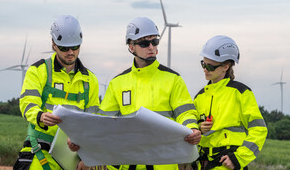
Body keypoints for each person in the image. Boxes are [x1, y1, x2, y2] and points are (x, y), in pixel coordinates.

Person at [99, 17, 201, 170]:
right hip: (128, 163)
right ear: (131, 46)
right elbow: (103, 125)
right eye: (144, 43)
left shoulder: (173, 79)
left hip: (164, 163)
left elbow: (185, 113)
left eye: (155, 42)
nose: (151, 47)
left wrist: (192, 128)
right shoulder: (117, 83)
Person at [13, 15, 100, 170]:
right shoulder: (38, 71)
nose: (70, 52)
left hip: (74, 157)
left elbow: (94, 122)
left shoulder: (90, 80)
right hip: (41, 151)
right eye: (64, 48)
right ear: (53, 44)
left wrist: (89, 159)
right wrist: (40, 116)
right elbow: (27, 103)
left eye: (75, 47)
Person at [193, 35, 268, 170]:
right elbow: (190, 132)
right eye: (203, 64)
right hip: (203, 164)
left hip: (229, 164)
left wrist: (239, 158)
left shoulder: (240, 92)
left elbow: (259, 130)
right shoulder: (200, 96)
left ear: (225, 67)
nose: (205, 69)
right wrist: (199, 129)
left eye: (210, 66)